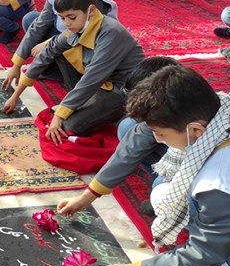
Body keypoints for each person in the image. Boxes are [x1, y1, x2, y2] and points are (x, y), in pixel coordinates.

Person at [94, 66, 230, 266]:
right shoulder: (226, 112)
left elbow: (204, 251)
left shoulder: (218, 181)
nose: (159, 140)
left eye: (162, 134)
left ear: (196, 130)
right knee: (165, 193)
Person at [3, 0, 144, 138]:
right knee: (60, 51)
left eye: (71, 17)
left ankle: (118, 114)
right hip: (101, 85)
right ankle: (81, 104)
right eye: (62, 18)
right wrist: (16, 95)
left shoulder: (111, 32)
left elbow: (92, 78)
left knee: (69, 126)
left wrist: (60, 115)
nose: (66, 24)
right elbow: (49, 50)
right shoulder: (79, 27)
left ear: (90, 11)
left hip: (122, 92)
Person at [56, 56, 179, 217]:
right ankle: (161, 176)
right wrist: (85, 198)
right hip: (177, 146)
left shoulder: (196, 125)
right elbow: (129, 149)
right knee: (128, 126)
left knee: (162, 189)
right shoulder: (168, 106)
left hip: (194, 166)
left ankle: (167, 186)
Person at [4, 0, 118, 89]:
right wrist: (17, 64)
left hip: (91, 44)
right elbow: (40, 25)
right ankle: (56, 66)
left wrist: (50, 42)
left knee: (55, 51)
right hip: (66, 35)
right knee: (31, 20)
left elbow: (89, 32)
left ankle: (73, 75)